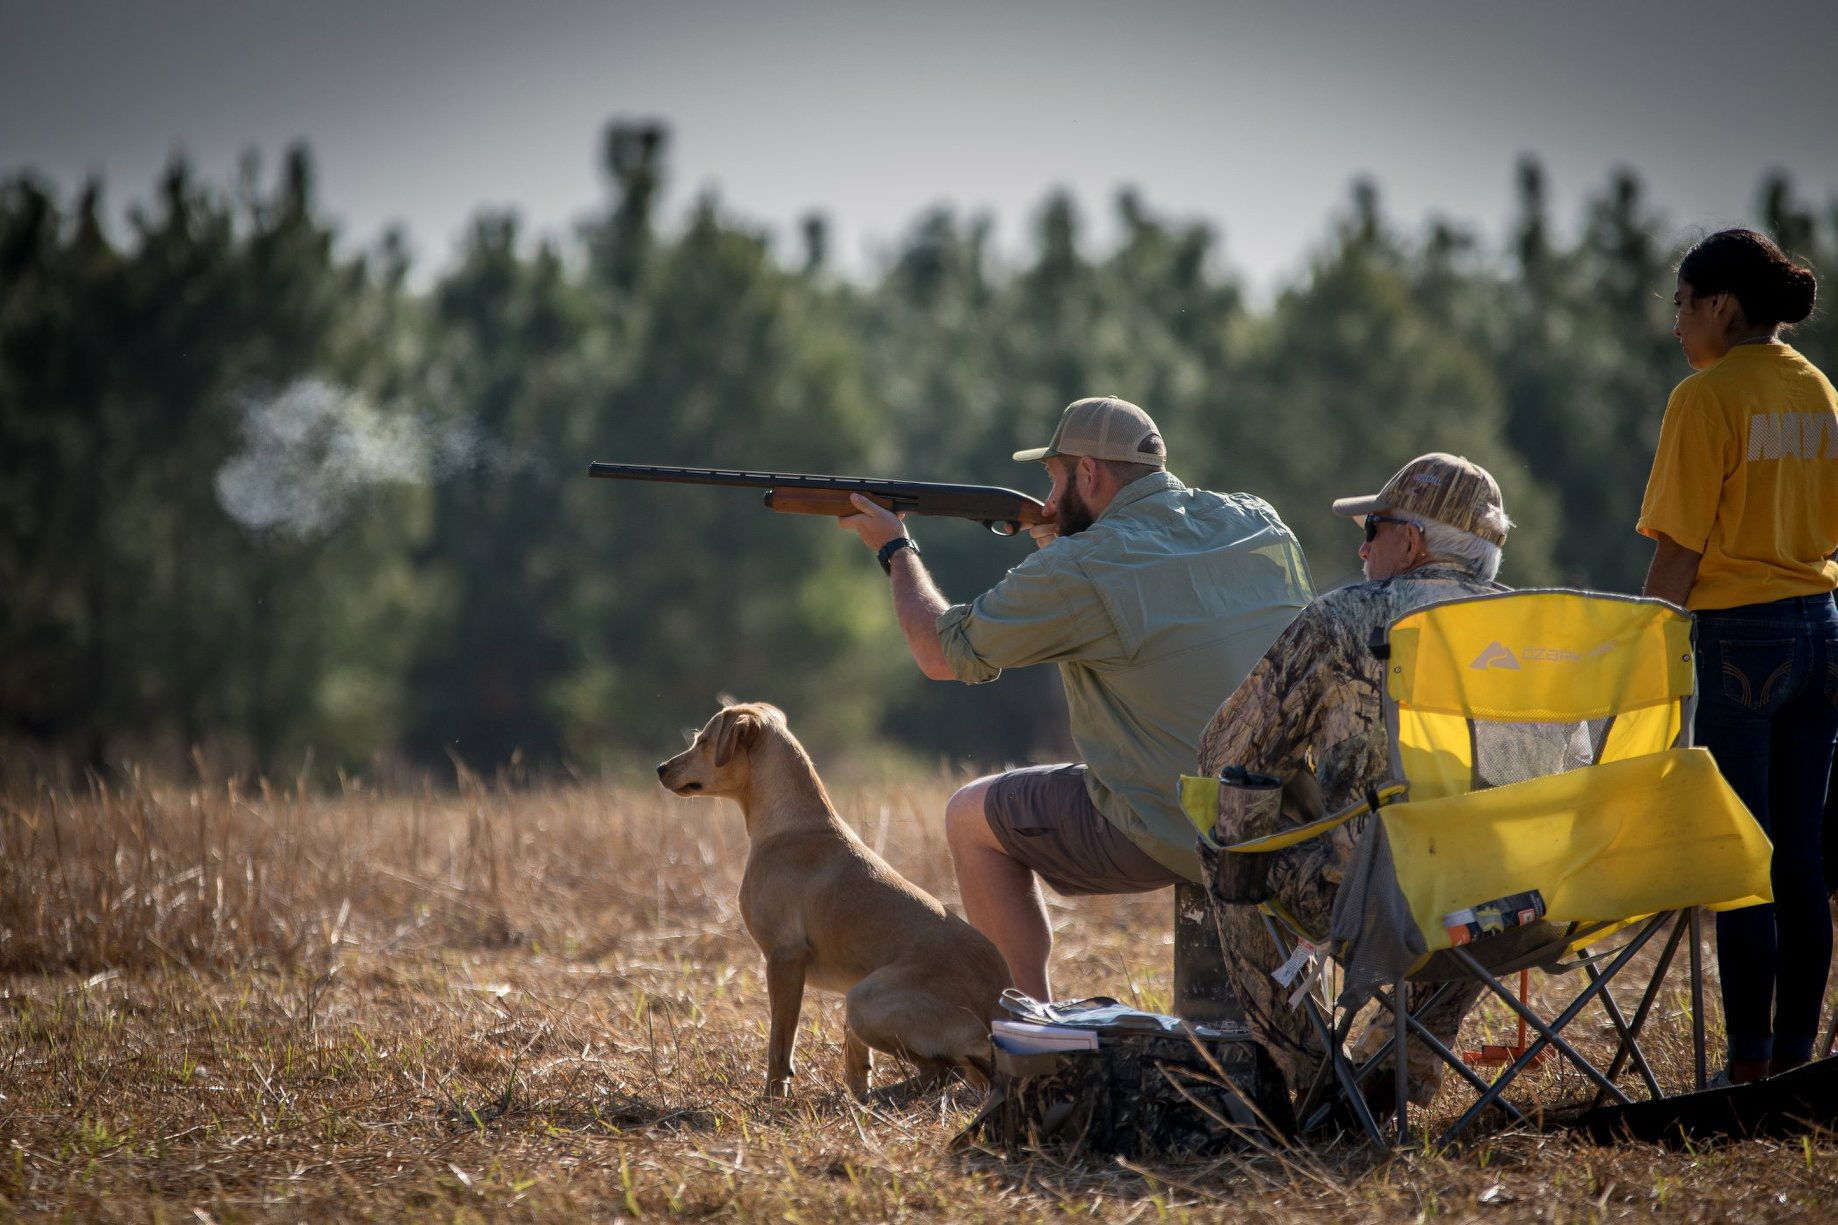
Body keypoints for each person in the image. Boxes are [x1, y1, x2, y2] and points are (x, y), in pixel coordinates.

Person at [839, 395, 1313, 999]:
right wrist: (1056, 547)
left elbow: (939, 652)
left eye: (1054, 477)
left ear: (1088, 473)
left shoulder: (1080, 566)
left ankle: (1024, 1026)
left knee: (969, 817)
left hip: (1178, 825)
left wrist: (894, 548)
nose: (1049, 494)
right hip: (1290, 816)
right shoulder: (1256, 520)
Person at [1193, 453, 1513, 1108]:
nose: (1362, 548)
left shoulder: (1345, 619)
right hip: (1520, 906)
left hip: (1380, 905)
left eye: (1373, 529)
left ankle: (1316, 1078)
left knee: (1230, 835)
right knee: (1467, 860)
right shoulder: (1536, 630)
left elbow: (1227, 754)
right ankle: (1409, 1045)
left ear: (1412, 541)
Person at [1636, 228, 1837, 1084]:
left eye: (1683, 305)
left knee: (1743, 859)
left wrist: (1640, 653)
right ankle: (1796, 1061)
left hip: (1739, 642)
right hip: (1822, 629)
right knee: (1801, 857)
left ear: (1721, 305)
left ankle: (1748, 1068)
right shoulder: (1819, 390)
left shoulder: (1705, 398)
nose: (1677, 324)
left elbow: (1678, 551)